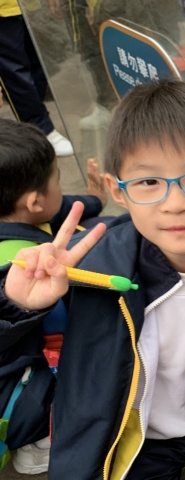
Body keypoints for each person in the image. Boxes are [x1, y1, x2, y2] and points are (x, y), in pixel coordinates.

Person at [0, 79, 185, 480]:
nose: (176, 203)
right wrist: (16, 306)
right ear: (117, 190)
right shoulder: (86, 269)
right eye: (148, 182)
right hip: (126, 441)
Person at [0, 118, 107, 474]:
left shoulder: (17, 211)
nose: (62, 188)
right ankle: (40, 438)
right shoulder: (31, 268)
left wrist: (94, 201)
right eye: (58, 179)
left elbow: (58, 207)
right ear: (33, 202)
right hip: (14, 401)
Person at [0, 0, 75, 157]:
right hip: (3, 11)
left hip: (25, 6)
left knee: (37, 63)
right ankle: (41, 129)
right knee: (15, 72)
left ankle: (35, 125)